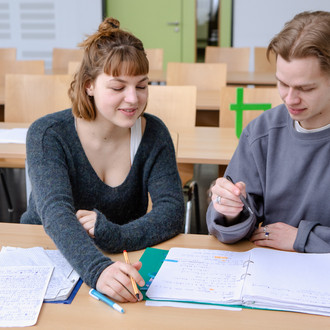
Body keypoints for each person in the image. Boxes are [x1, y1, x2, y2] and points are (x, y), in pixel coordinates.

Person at [20, 17, 185, 302]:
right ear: (89, 86)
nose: (133, 99)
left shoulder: (153, 133)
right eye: (118, 88)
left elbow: (171, 213)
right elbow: (57, 214)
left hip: (119, 262)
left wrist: (114, 235)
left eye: (142, 85)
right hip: (46, 257)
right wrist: (98, 270)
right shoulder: (47, 135)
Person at [207, 10, 330, 253]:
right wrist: (230, 210)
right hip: (271, 271)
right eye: (283, 84)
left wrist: (303, 238)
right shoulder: (262, 132)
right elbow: (234, 225)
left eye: (305, 88)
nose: (290, 99)